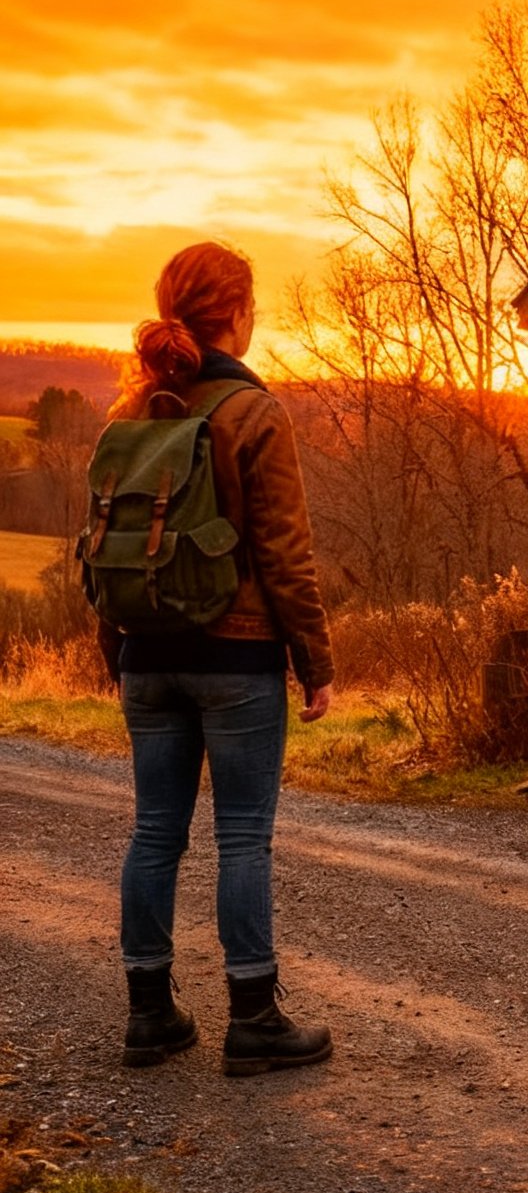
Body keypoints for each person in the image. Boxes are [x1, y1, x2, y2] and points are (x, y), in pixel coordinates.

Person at [99, 241, 336, 1077]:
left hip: (145, 657)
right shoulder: (252, 412)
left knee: (155, 830)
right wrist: (315, 660)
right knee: (243, 836)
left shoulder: (130, 414)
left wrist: (116, 650)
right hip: (236, 659)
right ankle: (254, 1018)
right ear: (238, 313)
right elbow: (284, 553)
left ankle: (149, 1015)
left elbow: (105, 547)